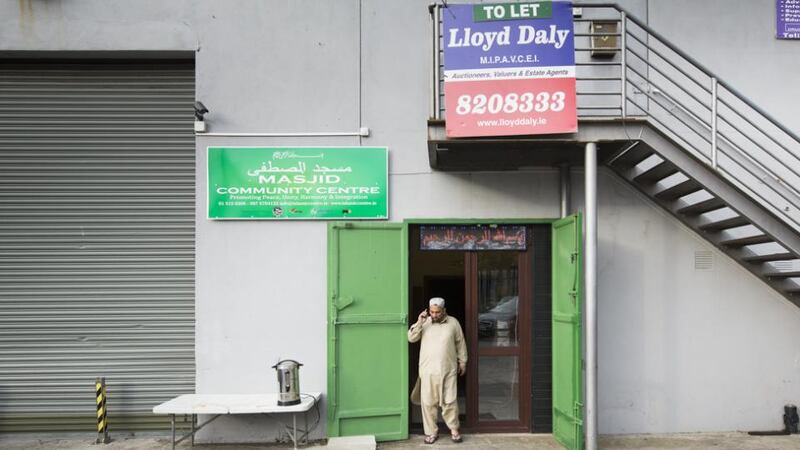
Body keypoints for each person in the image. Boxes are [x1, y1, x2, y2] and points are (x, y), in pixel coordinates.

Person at [408, 297, 468, 444]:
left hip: (448, 370)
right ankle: (431, 433)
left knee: (450, 401)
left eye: (437, 312)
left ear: (444, 310)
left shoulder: (453, 323)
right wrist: (419, 322)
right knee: (428, 403)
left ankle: (454, 430)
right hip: (428, 370)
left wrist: (463, 361)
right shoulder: (425, 322)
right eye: (432, 312)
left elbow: (460, 343)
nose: (434, 315)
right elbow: (411, 338)